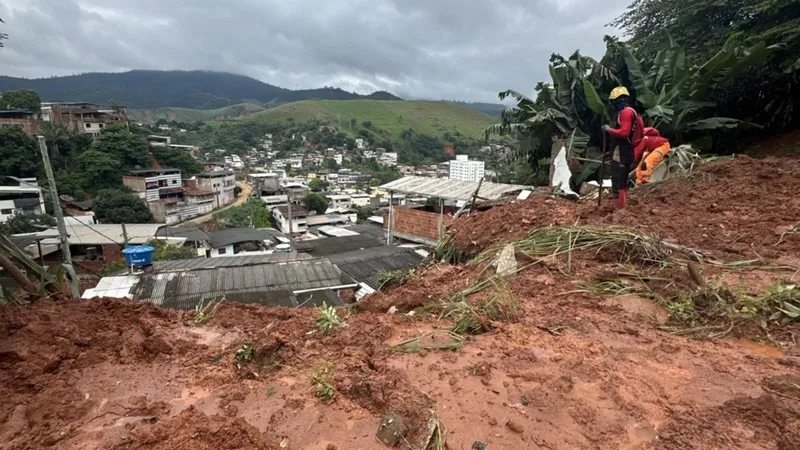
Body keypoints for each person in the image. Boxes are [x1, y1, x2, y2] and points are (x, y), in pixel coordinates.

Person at [602, 86, 644, 209]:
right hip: (623, 151)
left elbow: (624, 132)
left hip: (623, 152)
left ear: (616, 101)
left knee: (618, 179)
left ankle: (620, 208)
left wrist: (609, 129)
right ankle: (621, 207)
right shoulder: (628, 112)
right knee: (620, 180)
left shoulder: (626, 113)